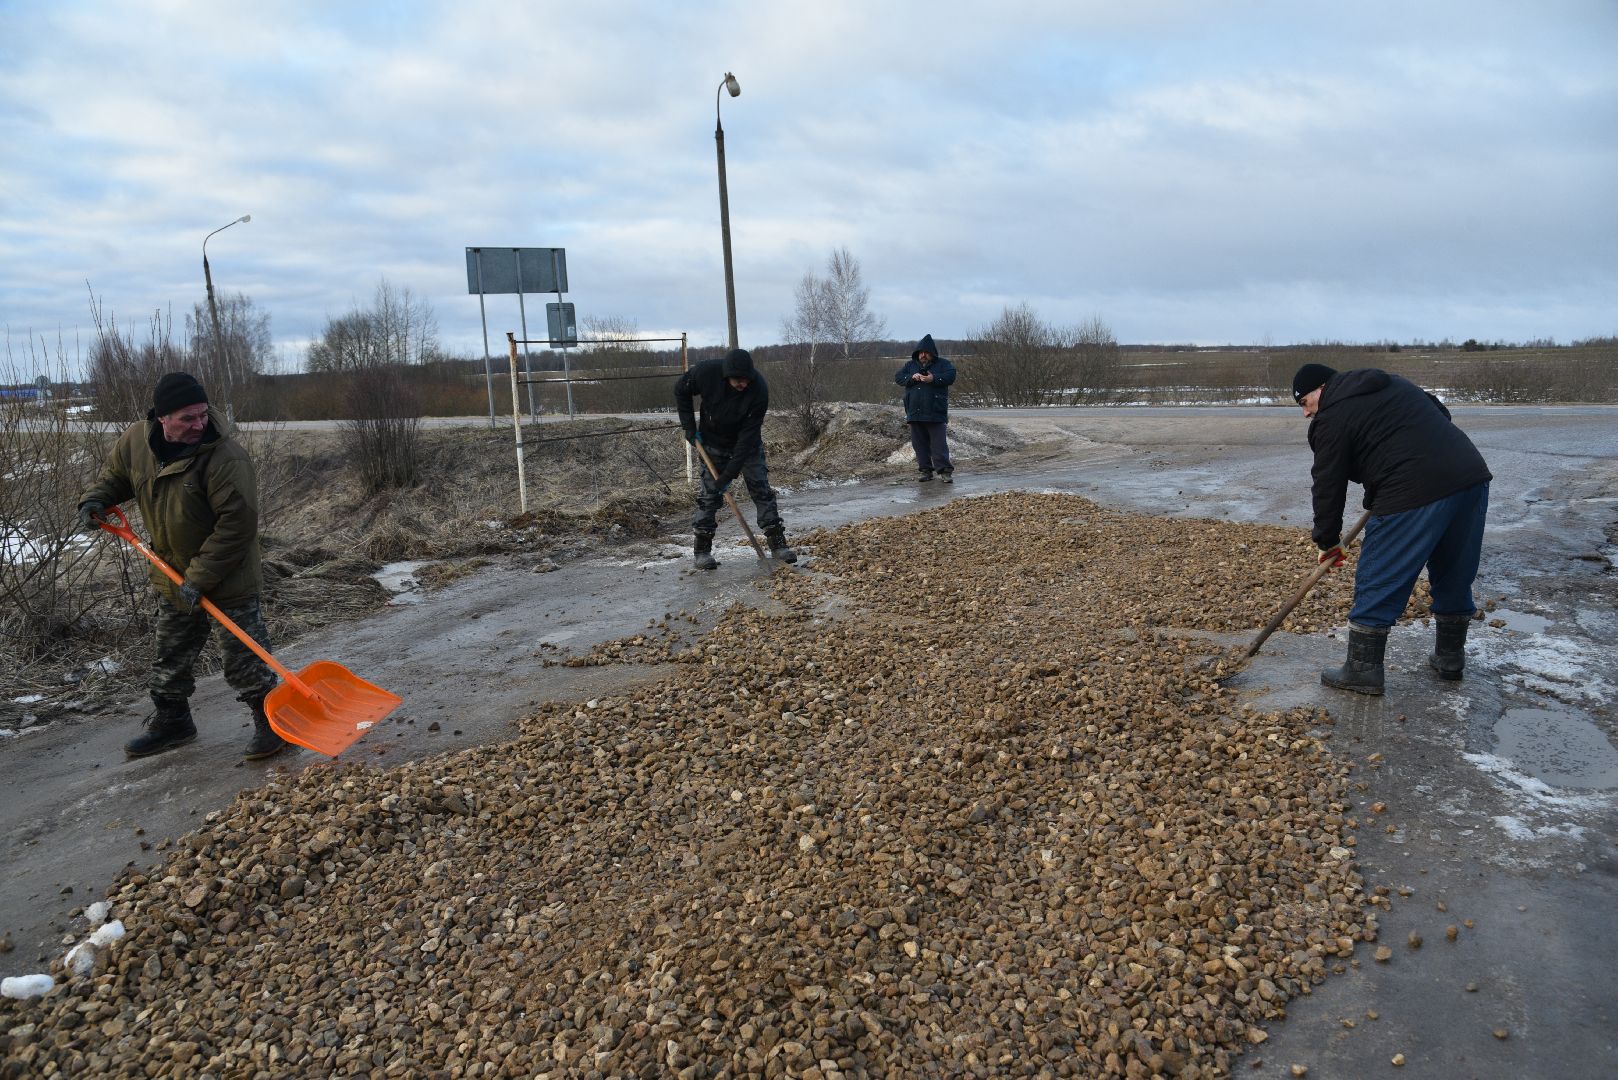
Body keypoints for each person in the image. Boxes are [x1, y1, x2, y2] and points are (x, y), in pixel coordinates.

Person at [78, 372, 286, 759]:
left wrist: (200, 577)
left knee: (243, 657)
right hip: (171, 570)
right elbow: (117, 477)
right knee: (170, 655)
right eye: (187, 418)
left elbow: (237, 528)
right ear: (162, 417)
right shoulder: (136, 442)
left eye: (202, 414)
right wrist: (95, 499)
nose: (199, 424)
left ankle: (272, 724)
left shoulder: (226, 458)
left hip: (227, 576)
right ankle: (173, 722)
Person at [1294, 362, 1492, 696]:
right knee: (1454, 571)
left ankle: (1362, 671)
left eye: (1304, 403)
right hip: (1469, 478)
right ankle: (1450, 659)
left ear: (1321, 389)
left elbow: (1327, 485)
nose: (1305, 413)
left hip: (1410, 490)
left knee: (1380, 573)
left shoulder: (1331, 417)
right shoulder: (1392, 383)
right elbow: (1439, 412)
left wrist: (1328, 542)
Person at [674, 348, 796, 569]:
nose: (744, 384)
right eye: (739, 381)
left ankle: (778, 544)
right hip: (711, 444)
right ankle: (702, 551)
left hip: (747, 446)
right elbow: (680, 390)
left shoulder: (759, 390)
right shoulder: (706, 373)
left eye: (747, 379)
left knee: (762, 490)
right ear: (726, 375)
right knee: (709, 496)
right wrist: (689, 428)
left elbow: (748, 437)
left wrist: (729, 474)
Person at [894, 334, 957, 482]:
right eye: (920, 353)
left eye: (926, 352)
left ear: (932, 353)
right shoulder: (910, 365)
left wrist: (933, 378)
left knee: (939, 445)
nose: (923, 355)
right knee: (919, 445)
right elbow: (898, 377)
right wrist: (911, 378)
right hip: (914, 411)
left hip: (935, 410)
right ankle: (925, 471)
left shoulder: (943, 364)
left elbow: (951, 376)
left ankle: (945, 472)